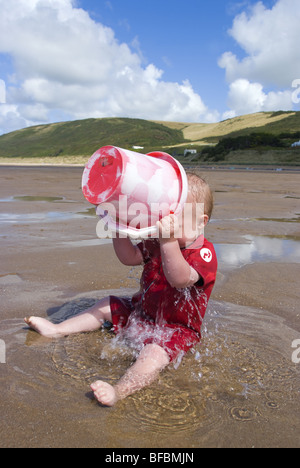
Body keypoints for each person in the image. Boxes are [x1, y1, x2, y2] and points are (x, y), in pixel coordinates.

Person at [25, 173, 217, 407]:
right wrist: (117, 225)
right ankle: (57, 329)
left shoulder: (204, 254)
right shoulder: (158, 241)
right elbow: (129, 257)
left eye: (178, 218)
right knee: (107, 303)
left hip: (177, 329)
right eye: (166, 215)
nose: (168, 223)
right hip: (142, 314)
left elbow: (179, 279)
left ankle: (120, 390)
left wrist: (168, 241)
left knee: (154, 354)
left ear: (201, 221)